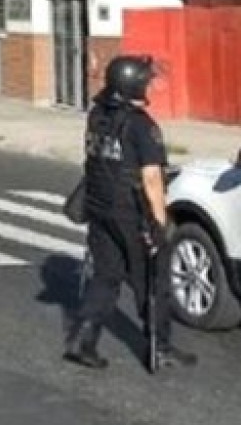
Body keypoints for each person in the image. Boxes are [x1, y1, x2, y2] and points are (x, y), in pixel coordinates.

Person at [65, 55, 196, 371]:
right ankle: (160, 346)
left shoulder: (97, 115)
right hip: (130, 212)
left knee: (106, 276)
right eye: (144, 79)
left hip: (99, 207)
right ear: (133, 85)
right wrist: (160, 222)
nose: (148, 83)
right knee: (152, 281)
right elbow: (151, 177)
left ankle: (82, 340)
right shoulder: (141, 125)